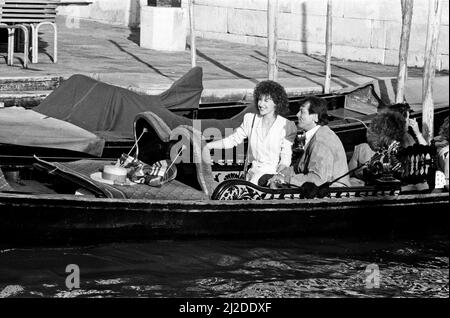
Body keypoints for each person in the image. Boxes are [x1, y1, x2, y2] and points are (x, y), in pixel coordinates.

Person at [202, 80, 297, 185]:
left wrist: (277, 177)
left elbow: (285, 159)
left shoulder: (286, 125)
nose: (260, 104)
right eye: (259, 99)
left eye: (266, 101)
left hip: (270, 176)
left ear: (276, 103)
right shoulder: (250, 119)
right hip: (252, 172)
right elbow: (233, 140)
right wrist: (208, 145)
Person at [268, 96, 351, 188]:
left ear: (315, 117)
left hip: (332, 192)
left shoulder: (320, 142)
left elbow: (317, 179)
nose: (297, 115)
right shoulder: (317, 134)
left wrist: (285, 179)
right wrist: (280, 174)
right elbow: (298, 168)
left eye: (302, 112)